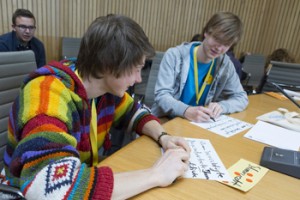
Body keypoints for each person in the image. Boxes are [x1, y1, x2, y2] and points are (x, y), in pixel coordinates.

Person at [3, 14, 191, 200]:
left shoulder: (104, 90)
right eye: (136, 69)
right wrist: (156, 174)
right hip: (22, 192)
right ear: (108, 65)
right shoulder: (46, 93)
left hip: (79, 175)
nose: (139, 79)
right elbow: (52, 190)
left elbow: (136, 112)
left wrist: (163, 137)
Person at [152, 12, 248, 122]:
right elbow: (162, 95)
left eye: (225, 44)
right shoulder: (175, 55)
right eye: (217, 38)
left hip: (199, 123)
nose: (218, 48)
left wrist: (223, 106)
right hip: (168, 119)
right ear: (206, 32)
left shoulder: (225, 64)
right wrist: (186, 110)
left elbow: (241, 98)